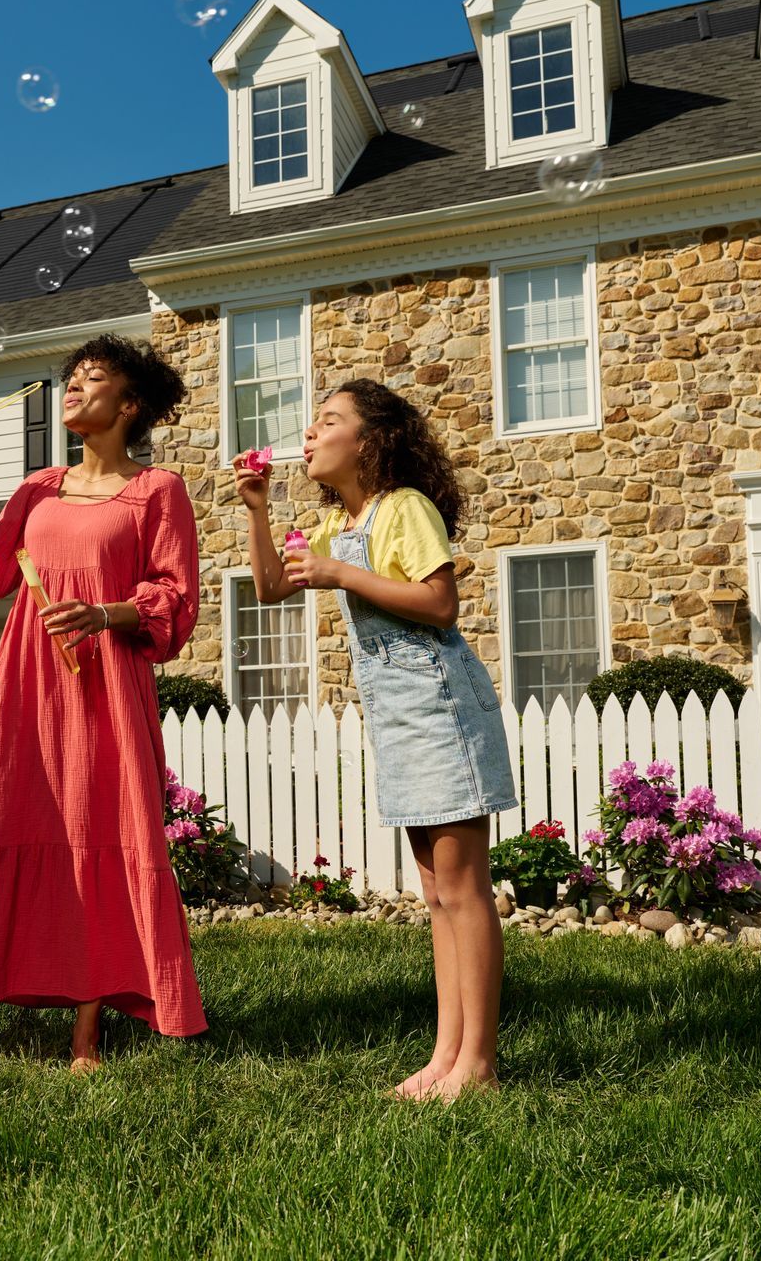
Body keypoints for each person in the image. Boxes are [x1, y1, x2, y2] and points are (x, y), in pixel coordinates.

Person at [0, 335, 206, 1073]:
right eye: (71, 379)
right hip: (25, 684)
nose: (74, 388)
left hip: (102, 689)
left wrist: (107, 613)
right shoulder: (37, 489)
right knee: (0, 822)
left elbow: (175, 602)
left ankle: (88, 1036)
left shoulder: (159, 491)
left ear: (130, 403)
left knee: (94, 837)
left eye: (93, 378)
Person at [233, 378, 516, 1102]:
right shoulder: (339, 525)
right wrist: (259, 514)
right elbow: (269, 588)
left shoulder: (404, 508)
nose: (311, 433)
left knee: (463, 887)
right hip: (400, 714)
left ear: (371, 441)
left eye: (329, 420)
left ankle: (477, 1066)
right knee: (435, 893)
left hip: (439, 705)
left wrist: (340, 573)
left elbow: (439, 601)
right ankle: (445, 1054)